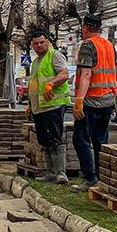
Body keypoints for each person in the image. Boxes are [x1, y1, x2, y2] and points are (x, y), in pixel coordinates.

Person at [69, 11, 117, 192]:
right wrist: (113, 94)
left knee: (80, 138)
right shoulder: (109, 45)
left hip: (90, 101)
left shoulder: (88, 46)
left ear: (85, 28)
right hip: (107, 101)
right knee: (101, 140)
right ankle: (102, 176)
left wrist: (79, 101)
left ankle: (90, 177)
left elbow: (86, 75)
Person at [24, 28, 71, 183]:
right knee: (44, 140)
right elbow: (34, 84)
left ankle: (60, 173)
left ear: (48, 42)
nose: (39, 46)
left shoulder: (55, 55)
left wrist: (51, 83)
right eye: (36, 43)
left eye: (42, 42)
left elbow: (64, 74)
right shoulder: (36, 62)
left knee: (54, 138)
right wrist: (30, 104)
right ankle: (51, 172)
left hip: (53, 105)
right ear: (32, 46)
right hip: (40, 107)